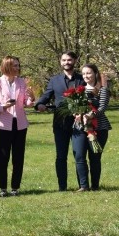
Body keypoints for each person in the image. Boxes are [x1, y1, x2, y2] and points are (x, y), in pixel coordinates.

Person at [35, 51, 85, 191]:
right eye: (64, 60)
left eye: (69, 60)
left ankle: (83, 185)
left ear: (74, 61)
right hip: (60, 123)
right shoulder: (54, 80)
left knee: (79, 154)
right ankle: (62, 187)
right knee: (61, 156)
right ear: (60, 62)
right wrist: (39, 104)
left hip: (79, 122)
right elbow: (46, 95)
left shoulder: (82, 79)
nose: (66, 62)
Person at [0, 56, 35, 197]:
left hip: (20, 124)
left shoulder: (21, 82)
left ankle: (15, 187)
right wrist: (4, 106)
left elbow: (26, 103)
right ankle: (3, 188)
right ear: (7, 66)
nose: (17, 68)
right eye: (15, 65)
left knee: (18, 157)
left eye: (18, 65)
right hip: (3, 124)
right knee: (2, 157)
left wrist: (31, 98)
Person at [72, 63, 111, 191]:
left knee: (94, 157)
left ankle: (95, 186)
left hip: (99, 128)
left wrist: (90, 115)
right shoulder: (79, 90)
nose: (86, 76)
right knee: (79, 155)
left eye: (88, 73)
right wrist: (76, 113)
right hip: (80, 127)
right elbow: (74, 106)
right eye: (83, 74)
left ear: (95, 73)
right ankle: (83, 186)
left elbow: (102, 107)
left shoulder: (102, 89)